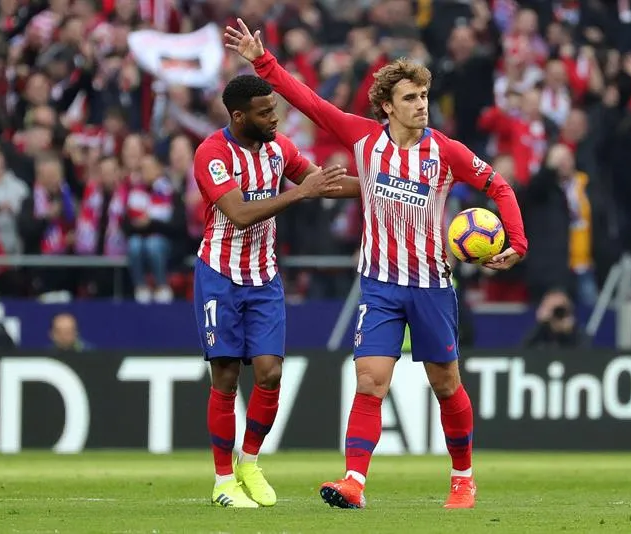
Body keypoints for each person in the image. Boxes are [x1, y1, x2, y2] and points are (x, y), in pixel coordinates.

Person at [224, 19, 528, 510]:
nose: (421, 105)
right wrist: (263, 63)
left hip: (431, 285)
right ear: (387, 105)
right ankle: (354, 482)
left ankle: (463, 478)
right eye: (410, 98)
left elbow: (499, 187)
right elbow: (312, 104)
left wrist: (516, 241)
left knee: (446, 383)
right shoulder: (364, 139)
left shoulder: (444, 151)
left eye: (424, 96)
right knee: (370, 381)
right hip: (380, 286)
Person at [192, 75, 360, 509]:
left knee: (269, 373)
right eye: (265, 112)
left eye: (275, 109)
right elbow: (239, 213)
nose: (275, 117)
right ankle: (223, 481)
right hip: (220, 276)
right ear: (238, 115)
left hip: (264, 278)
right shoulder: (212, 153)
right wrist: (298, 194)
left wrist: (385, 188)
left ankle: (248, 461)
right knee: (226, 377)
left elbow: (320, 184)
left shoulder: (279, 148)